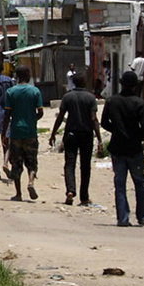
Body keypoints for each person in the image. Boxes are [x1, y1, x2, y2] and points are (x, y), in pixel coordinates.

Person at [100, 70, 144, 226]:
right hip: (134, 148)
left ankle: (123, 218)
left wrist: (118, 131)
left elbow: (104, 122)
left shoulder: (112, 101)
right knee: (140, 183)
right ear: (135, 86)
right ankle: (143, 216)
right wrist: (138, 136)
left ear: (121, 84)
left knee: (120, 184)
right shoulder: (139, 103)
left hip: (118, 148)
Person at [49, 73, 102, 206]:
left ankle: (70, 191)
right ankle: (84, 197)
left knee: (70, 164)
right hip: (86, 135)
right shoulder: (90, 98)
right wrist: (99, 138)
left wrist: (53, 133)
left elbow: (60, 117)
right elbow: (94, 119)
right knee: (85, 166)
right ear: (84, 83)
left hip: (71, 134)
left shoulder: (68, 97)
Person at [2, 65, 44, 201]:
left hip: (16, 132)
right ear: (28, 75)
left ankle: (18, 194)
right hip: (30, 131)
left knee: (16, 163)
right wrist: (32, 119)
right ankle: (31, 182)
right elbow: (41, 112)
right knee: (32, 162)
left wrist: (4, 133)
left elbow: (7, 114)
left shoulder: (11, 92)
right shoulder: (35, 91)